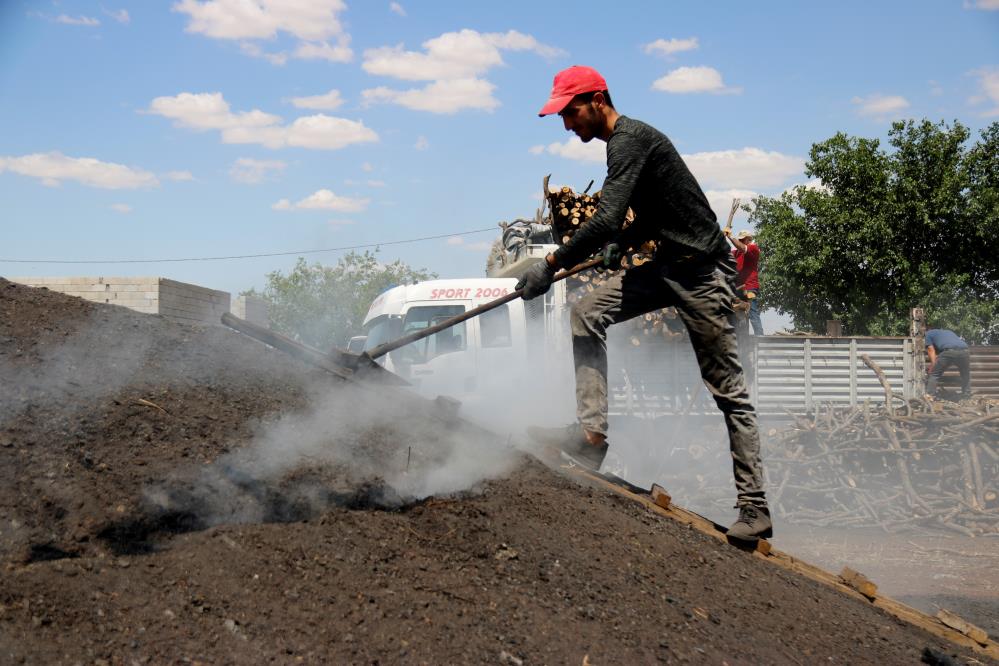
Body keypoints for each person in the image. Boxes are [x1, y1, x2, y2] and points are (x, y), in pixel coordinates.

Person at [519, 65, 770, 541]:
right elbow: (652, 213)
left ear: (597, 100)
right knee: (586, 313)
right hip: (667, 266)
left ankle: (756, 508)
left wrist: (550, 265)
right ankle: (591, 437)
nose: (567, 125)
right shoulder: (628, 143)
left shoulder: (629, 140)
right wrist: (629, 240)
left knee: (728, 391)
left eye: (570, 113)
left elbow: (607, 215)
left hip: (700, 273)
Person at [723, 228, 764, 335]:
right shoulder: (736, 253)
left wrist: (730, 236)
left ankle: (760, 337)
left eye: (743, 239)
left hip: (750, 287)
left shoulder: (753, 248)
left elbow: (741, 247)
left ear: (748, 240)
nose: (741, 241)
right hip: (738, 288)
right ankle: (741, 338)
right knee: (736, 313)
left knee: (752, 312)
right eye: (740, 240)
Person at [925, 328, 971, 399]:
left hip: (949, 351)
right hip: (965, 351)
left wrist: (933, 366)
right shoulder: (949, 331)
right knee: (965, 374)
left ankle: (930, 396)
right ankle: (967, 395)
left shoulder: (928, 333)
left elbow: (930, 350)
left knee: (934, 374)